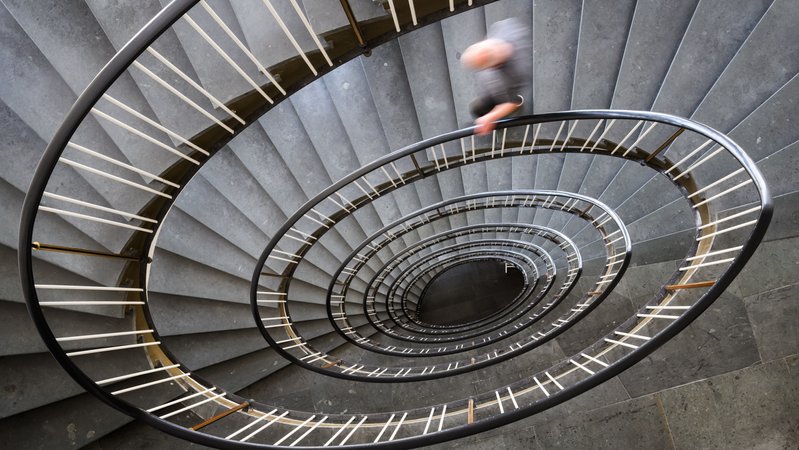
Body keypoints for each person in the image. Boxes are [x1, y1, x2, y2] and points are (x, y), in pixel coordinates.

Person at [462, 19, 531, 136]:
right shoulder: (503, 27)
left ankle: (517, 106)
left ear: (493, 67)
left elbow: (510, 102)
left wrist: (491, 117)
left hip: (506, 93)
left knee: (503, 103)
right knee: (477, 108)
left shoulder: (514, 74)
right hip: (491, 92)